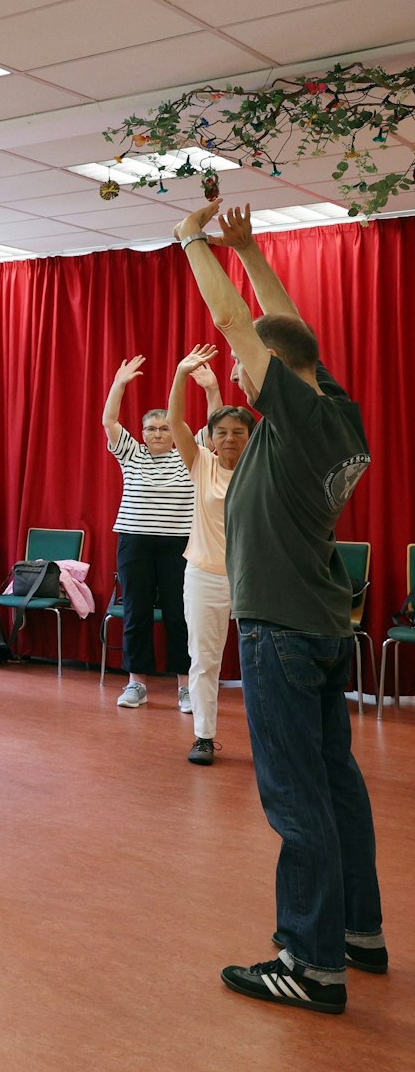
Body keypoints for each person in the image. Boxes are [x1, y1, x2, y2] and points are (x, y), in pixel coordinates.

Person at [175, 200, 381, 1014]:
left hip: (282, 631)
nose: (236, 374)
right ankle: (356, 932)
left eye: (248, 364)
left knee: (296, 797)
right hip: (322, 625)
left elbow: (238, 321)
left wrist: (194, 241)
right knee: (336, 786)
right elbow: (288, 327)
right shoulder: (338, 410)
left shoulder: (293, 415)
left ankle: (309, 959)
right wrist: (253, 250)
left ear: (273, 369)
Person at [102, 353, 216, 709]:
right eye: (150, 428)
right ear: (142, 434)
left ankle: (185, 687)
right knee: (135, 611)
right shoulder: (131, 454)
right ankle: (136, 684)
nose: (156, 434)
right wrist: (119, 384)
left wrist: (211, 389)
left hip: (179, 545)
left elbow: (214, 427)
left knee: (180, 614)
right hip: (135, 542)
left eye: (164, 427)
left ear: (174, 431)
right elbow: (109, 420)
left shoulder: (189, 453)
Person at [166, 344, 254, 767]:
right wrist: (182, 375)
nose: (230, 438)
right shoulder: (201, 463)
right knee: (204, 660)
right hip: (204, 575)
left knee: (264, 664)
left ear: (252, 438)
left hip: (255, 580)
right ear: (211, 439)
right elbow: (175, 422)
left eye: (239, 432)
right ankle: (204, 736)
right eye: (222, 432)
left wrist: (219, 389)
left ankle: (273, 741)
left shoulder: (263, 468)